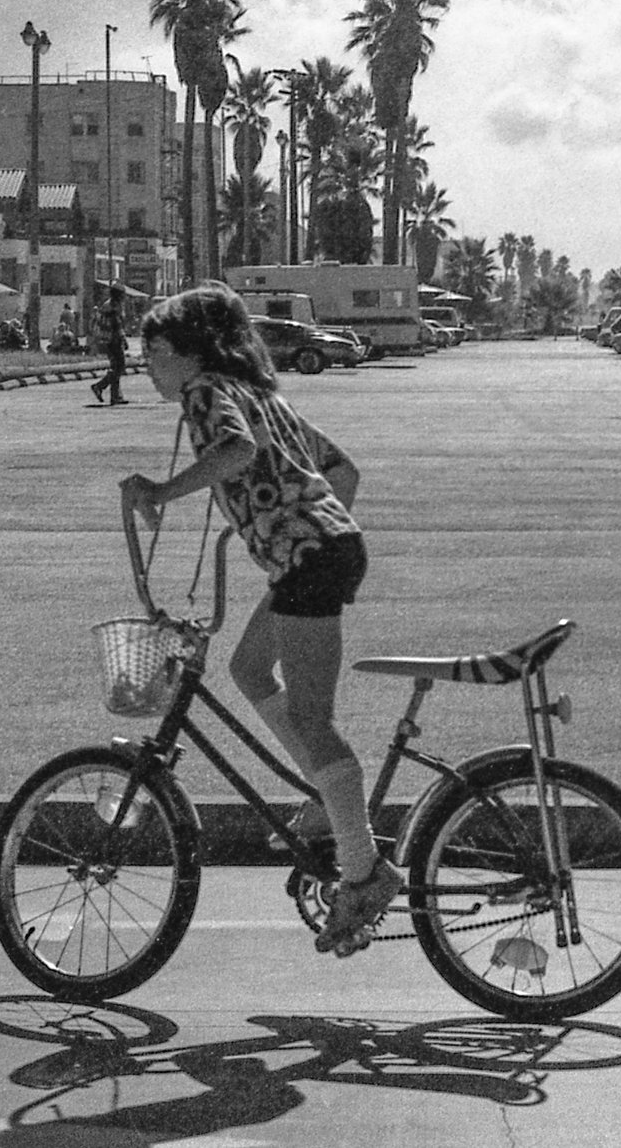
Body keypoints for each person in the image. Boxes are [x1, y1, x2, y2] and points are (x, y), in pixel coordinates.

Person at [117, 283, 393, 958]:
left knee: (311, 717)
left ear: (188, 352)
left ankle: (362, 868)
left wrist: (162, 491)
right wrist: (275, 522)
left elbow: (236, 453)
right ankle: (327, 801)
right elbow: (341, 471)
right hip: (316, 551)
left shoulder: (208, 393)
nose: (147, 364)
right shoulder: (264, 392)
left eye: (154, 352)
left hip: (309, 557)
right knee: (245, 667)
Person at [93, 293, 129, 405]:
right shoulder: (114, 306)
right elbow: (117, 325)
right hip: (114, 341)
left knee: (115, 367)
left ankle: (115, 396)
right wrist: (124, 339)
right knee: (120, 366)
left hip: (106, 340)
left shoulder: (107, 304)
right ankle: (99, 386)